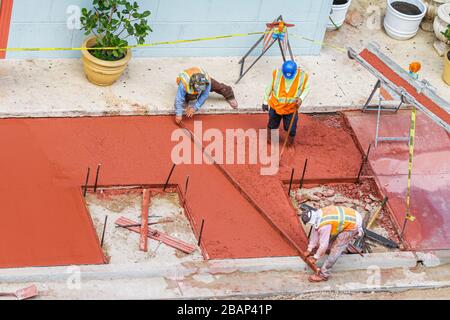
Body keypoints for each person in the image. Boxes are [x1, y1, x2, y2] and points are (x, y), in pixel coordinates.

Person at [300, 205, 364, 282]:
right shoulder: (317, 215)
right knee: (331, 243)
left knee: (335, 249)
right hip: (349, 217)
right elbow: (314, 233)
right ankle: (346, 246)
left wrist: (315, 258)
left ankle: (324, 275)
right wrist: (309, 249)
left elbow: (324, 245)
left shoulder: (324, 225)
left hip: (353, 225)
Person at [262, 60, 310, 146]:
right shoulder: (277, 74)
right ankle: (271, 140)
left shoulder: (302, 76)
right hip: (276, 106)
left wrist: (301, 98)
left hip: (290, 108)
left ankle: (289, 144)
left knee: (291, 129)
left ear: (295, 71)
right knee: (272, 125)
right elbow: (269, 88)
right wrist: (265, 101)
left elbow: (307, 88)